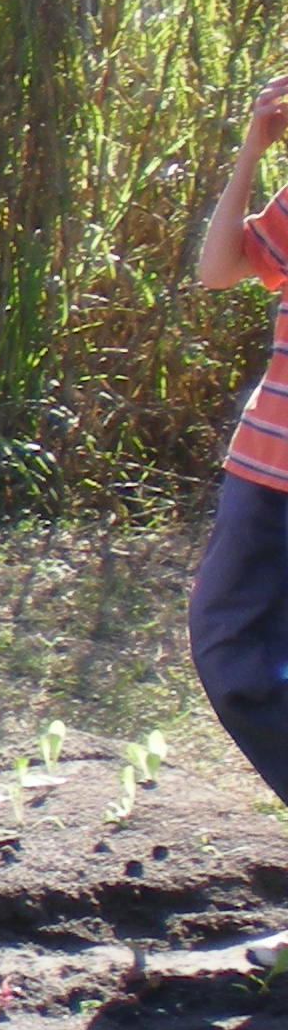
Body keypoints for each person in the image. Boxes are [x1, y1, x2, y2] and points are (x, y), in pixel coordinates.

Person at [189, 71, 288, 968]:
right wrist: (253, 150)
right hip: (267, 472)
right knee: (230, 654)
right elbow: (220, 270)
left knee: (237, 654)